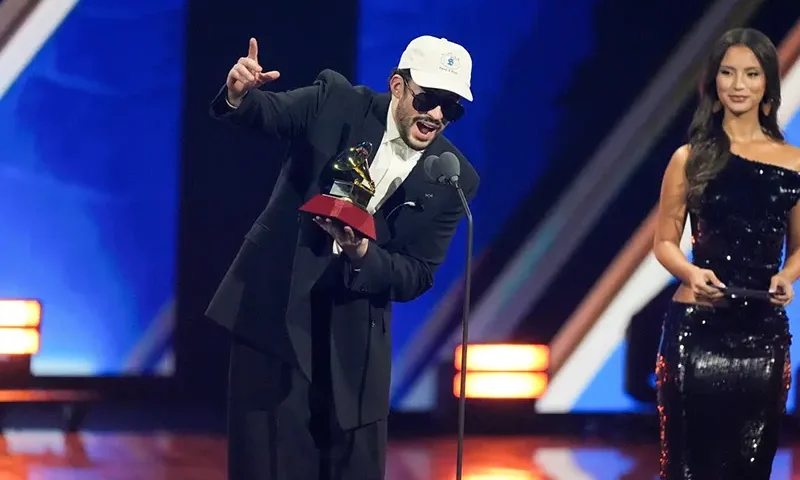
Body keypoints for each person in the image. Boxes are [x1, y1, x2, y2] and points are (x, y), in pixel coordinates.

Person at [205, 35, 479, 480]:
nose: (436, 115)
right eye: (428, 99)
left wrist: (363, 252)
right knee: (268, 464)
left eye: (451, 107)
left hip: (356, 339)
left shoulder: (454, 179)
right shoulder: (337, 102)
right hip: (276, 313)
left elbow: (417, 273)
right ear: (397, 86)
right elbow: (270, 113)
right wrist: (240, 94)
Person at [653, 28, 800, 479]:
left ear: (767, 83)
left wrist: (787, 277)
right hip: (696, 329)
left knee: (751, 466)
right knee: (687, 467)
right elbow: (663, 242)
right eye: (728, 73)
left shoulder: (794, 162)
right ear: (714, 82)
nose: (738, 85)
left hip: (762, 337)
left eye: (751, 74)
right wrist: (691, 273)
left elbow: (799, 249)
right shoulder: (689, 158)